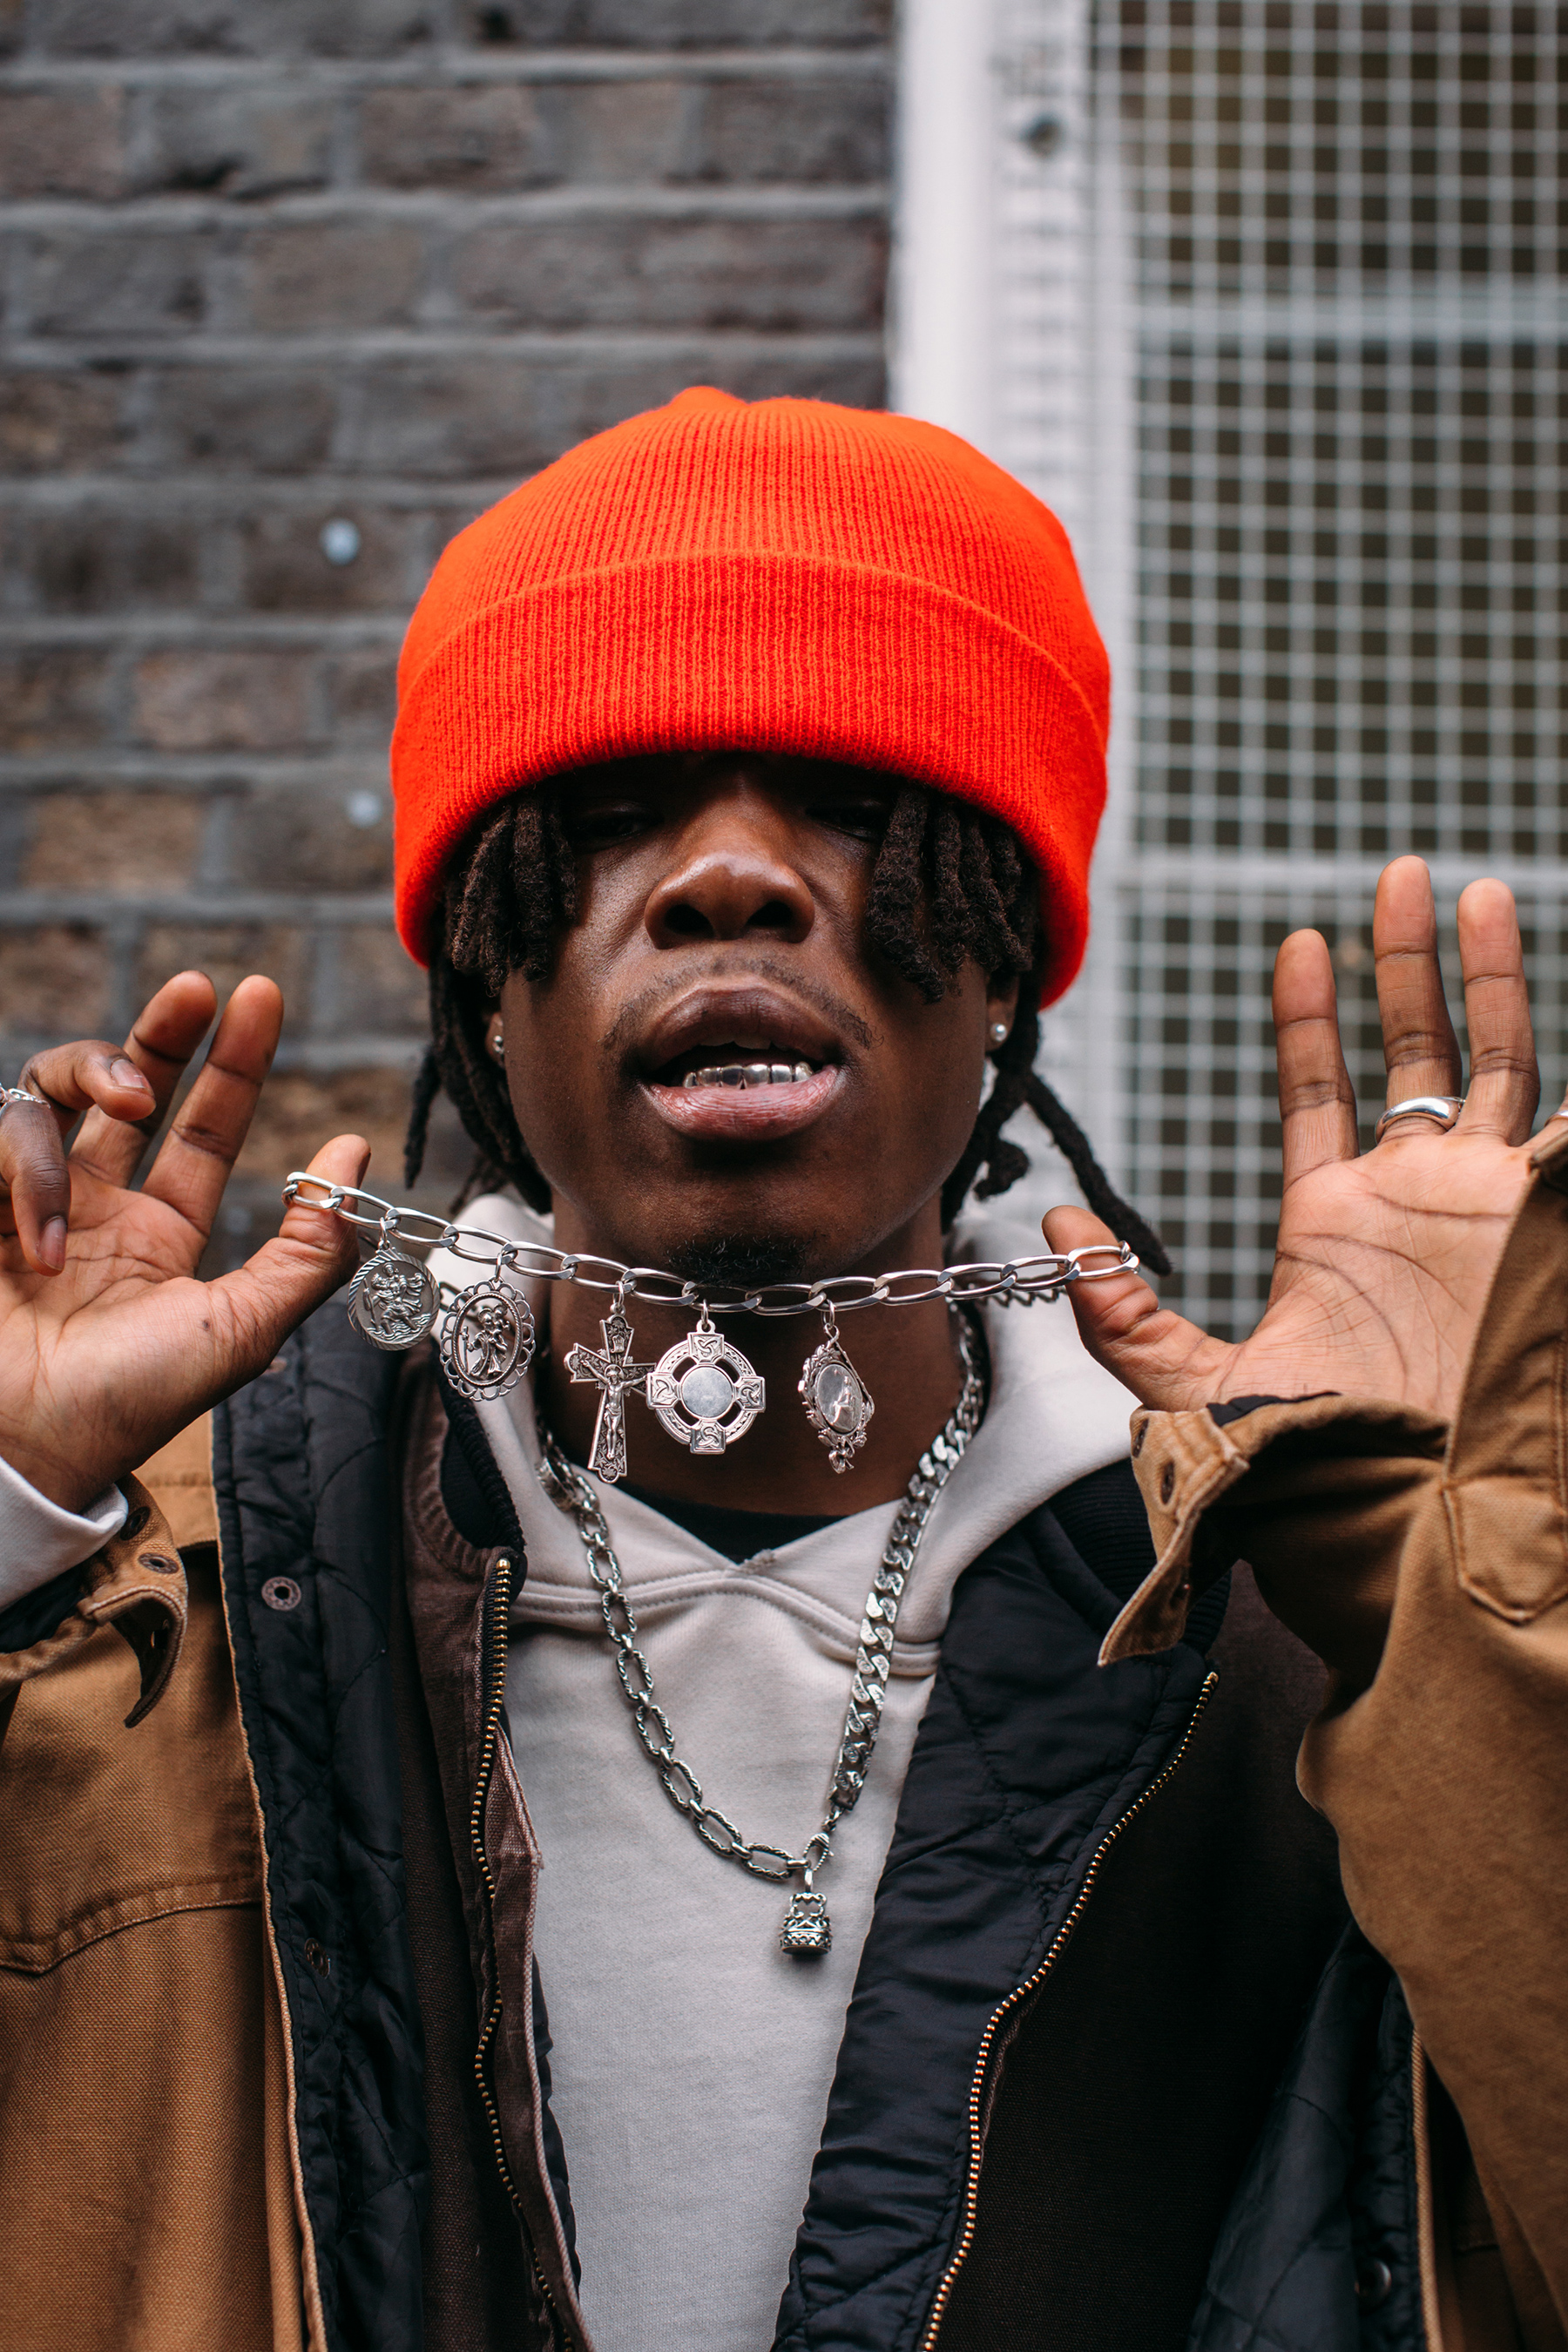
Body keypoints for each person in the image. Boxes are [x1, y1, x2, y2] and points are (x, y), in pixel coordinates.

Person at [0, 388, 1564, 2352]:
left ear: (1005, 956)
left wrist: (1443, 1572)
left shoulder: (1289, 1606)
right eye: (608, 810)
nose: (728, 877)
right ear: (483, 966)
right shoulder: (152, 1612)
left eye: (854, 801)